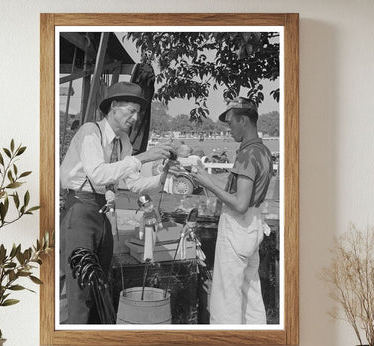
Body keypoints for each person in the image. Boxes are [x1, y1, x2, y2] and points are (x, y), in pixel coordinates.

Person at [59, 81, 178, 324]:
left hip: (101, 213)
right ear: (113, 106)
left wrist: (163, 175)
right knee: (80, 287)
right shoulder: (90, 132)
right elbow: (98, 174)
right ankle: (75, 342)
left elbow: (134, 184)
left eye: (138, 113)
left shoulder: (123, 142)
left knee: (100, 283)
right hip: (79, 210)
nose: (135, 118)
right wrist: (143, 157)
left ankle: (96, 337)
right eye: (130, 111)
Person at [191, 97, 273, 324]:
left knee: (225, 301)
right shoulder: (263, 151)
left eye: (231, 123)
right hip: (253, 225)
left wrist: (206, 184)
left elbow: (239, 203)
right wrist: (206, 176)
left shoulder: (247, 154)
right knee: (250, 297)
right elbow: (240, 192)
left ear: (244, 120)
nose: (229, 129)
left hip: (237, 225)